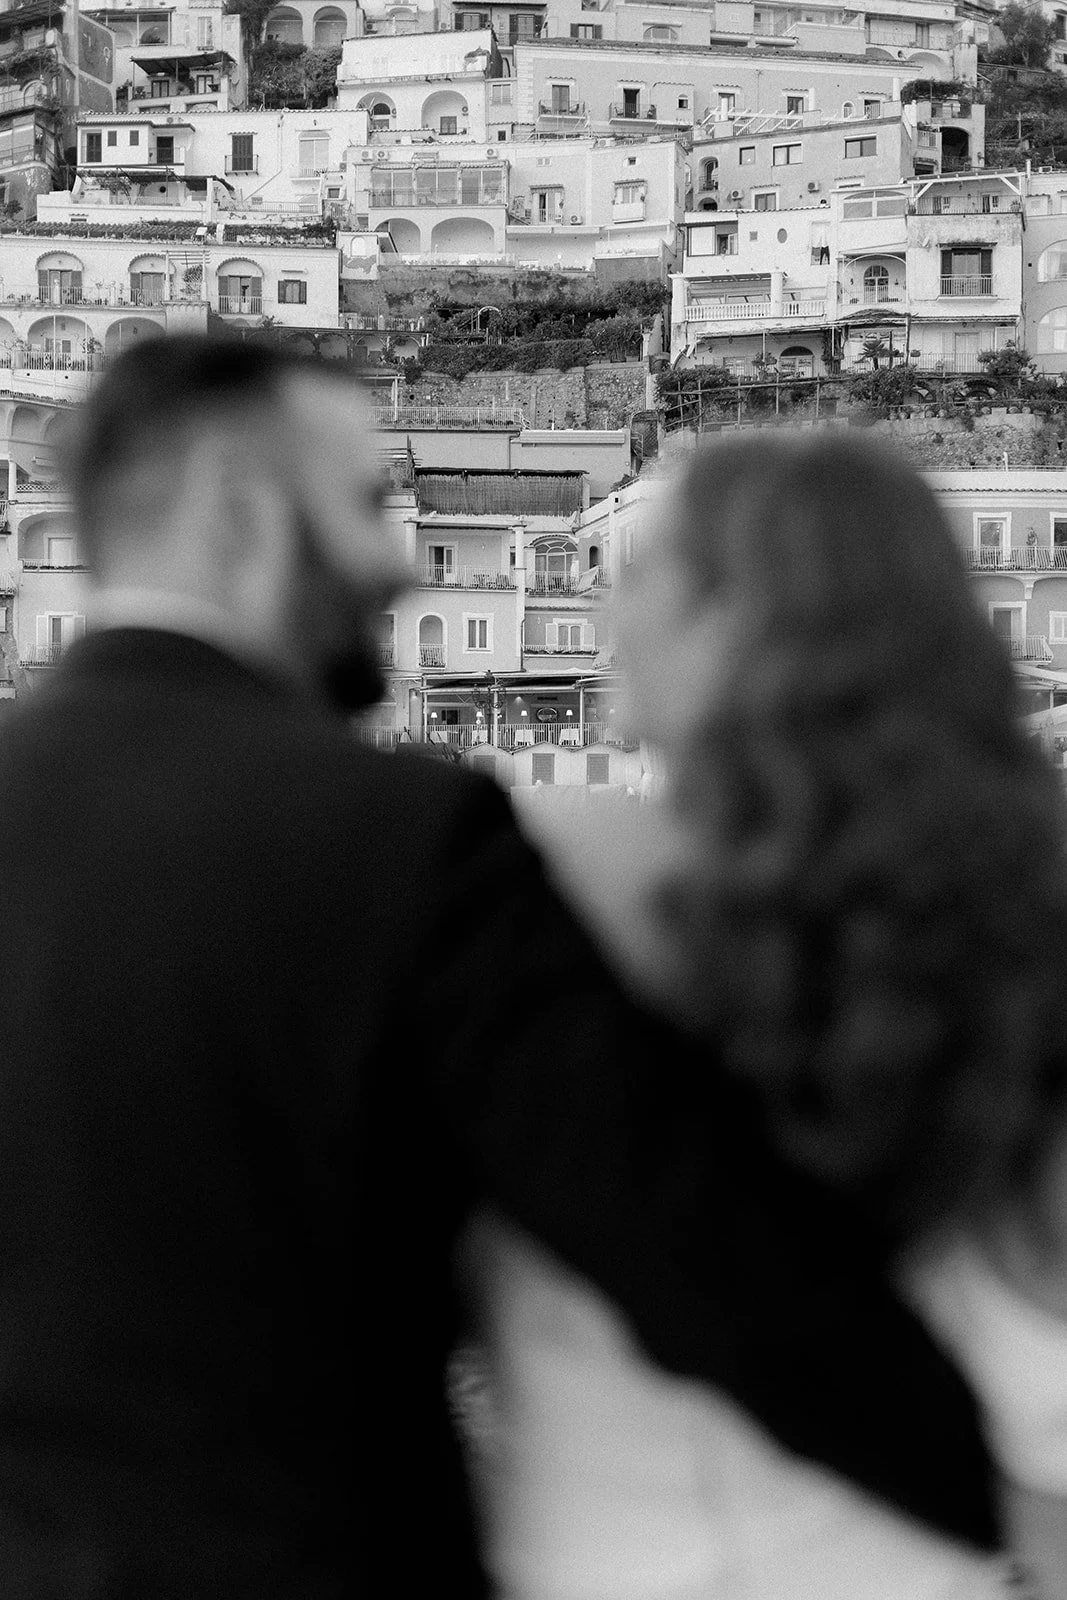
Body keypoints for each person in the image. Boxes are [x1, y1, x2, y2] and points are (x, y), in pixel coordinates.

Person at [0, 340, 999, 1597]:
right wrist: (986, 1497)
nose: (400, 563)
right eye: (363, 501)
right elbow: (683, 1240)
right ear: (238, 511)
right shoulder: (395, 836)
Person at [471, 431, 1067, 1599]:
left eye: (643, 572)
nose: (607, 608)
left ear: (736, 618)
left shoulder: (535, 888)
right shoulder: (1015, 914)